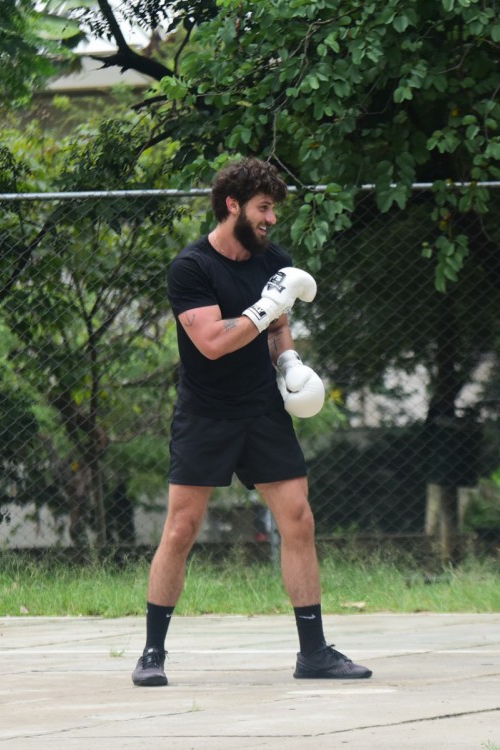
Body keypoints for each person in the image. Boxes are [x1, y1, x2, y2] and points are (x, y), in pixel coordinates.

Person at [132, 157, 372, 687]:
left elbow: (278, 326)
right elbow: (213, 343)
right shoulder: (191, 268)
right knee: (180, 528)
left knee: (299, 519)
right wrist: (265, 310)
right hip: (207, 412)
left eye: (273, 210)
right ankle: (152, 653)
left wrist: (288, 363)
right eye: (264, 208)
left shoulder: (273, 259)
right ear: (232, 205)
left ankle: (314, 654)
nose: (271, 219)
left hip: (262, 409)